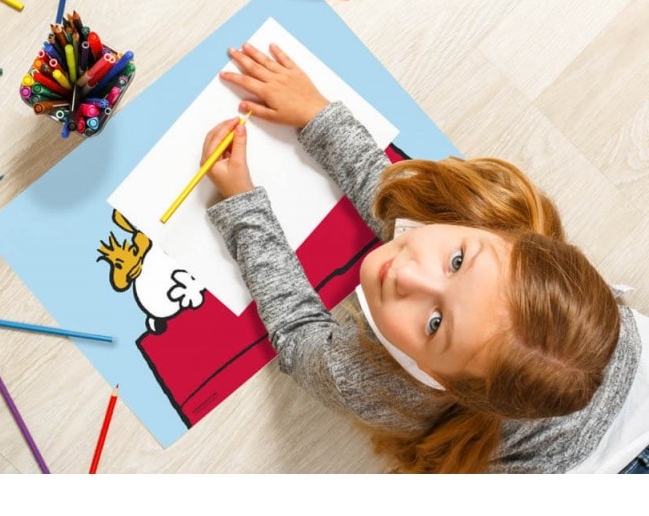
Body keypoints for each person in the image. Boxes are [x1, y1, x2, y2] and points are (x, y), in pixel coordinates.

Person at [201, 41, 642, 473]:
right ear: (500, 230)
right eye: (456, 262)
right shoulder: (496, 224)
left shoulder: (377, 386)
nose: (407, 274)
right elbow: (401, 200)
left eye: (434, 324)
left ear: (439, 378)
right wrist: (316, 114)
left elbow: (299, 340)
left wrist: (241, 205)